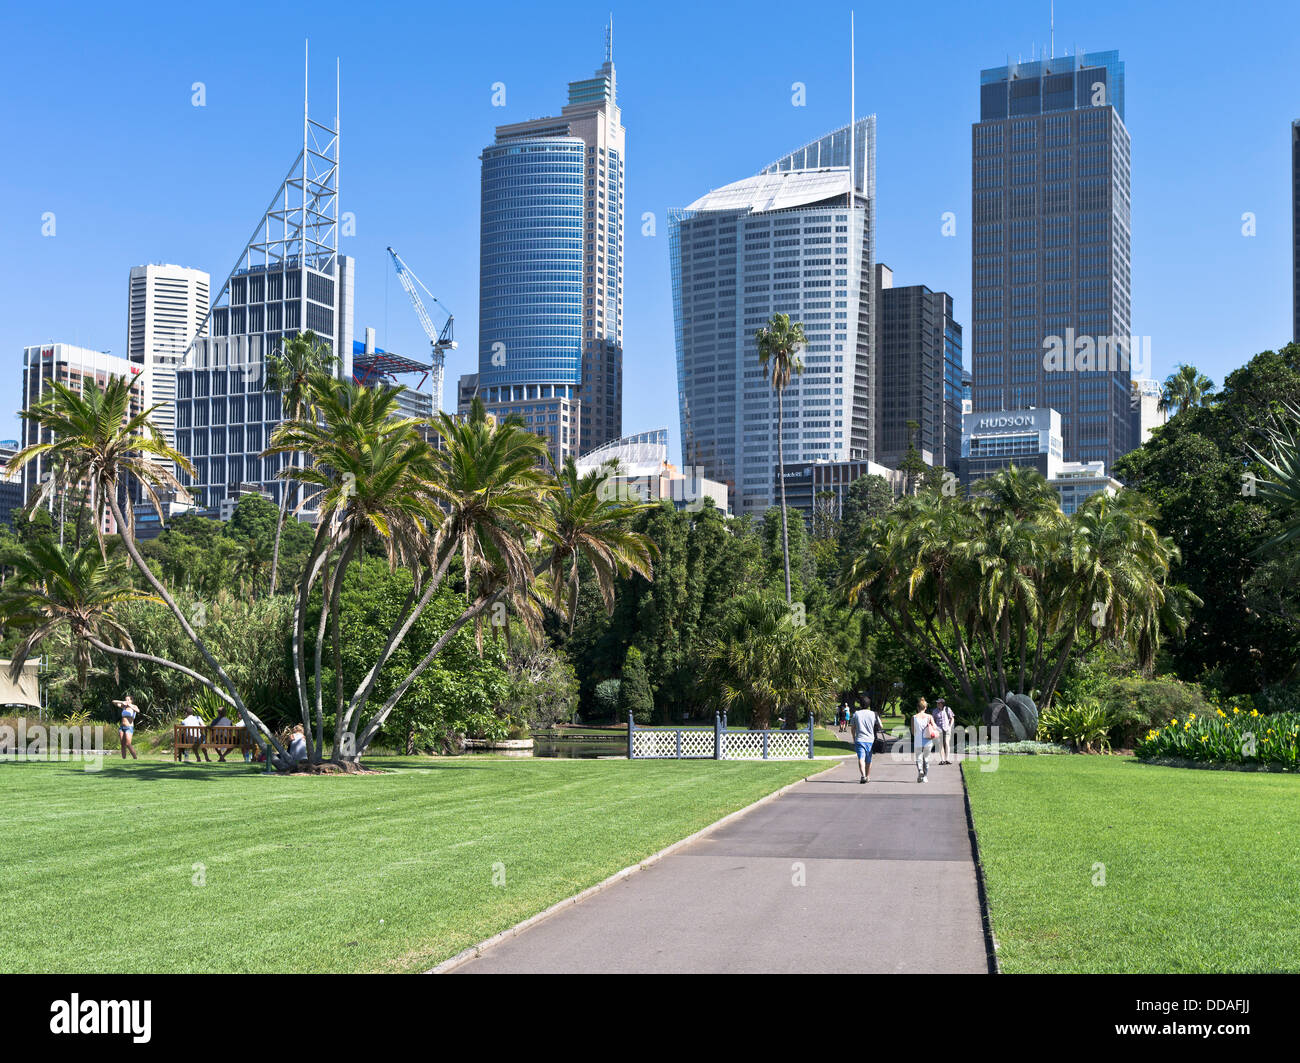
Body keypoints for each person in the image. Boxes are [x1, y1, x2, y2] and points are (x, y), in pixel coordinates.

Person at [849, 700, 883, 784]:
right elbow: (881, 726)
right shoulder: (873, 714)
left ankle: (863, 775)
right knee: (868, 759)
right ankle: (867, 776)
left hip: (860, 739)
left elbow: (852, 728)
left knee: (861, 758)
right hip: (870, 740)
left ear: (860, 704)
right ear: (869, 705)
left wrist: (854, 737)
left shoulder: (856, 714)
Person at [912, 698, 937, 783]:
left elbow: (912, 731)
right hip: (928, 740)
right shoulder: (929, 717)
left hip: (918, 740)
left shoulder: (914, 717)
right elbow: (934, 727)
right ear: (925, 707)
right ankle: (925, 776)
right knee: (926, 758)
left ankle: (920, 771)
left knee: (918, 758)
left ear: (918, 708)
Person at [112, 695, 139, 761]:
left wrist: (129, 705)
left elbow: (138, 711)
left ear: (131, 700)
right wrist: (122, 702)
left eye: (128, 699)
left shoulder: (134, 706)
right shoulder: (123, 706)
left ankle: (135, 758)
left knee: (128, 744)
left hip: (129, 727)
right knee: (122, 744)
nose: (126, 701)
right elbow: (113, 702)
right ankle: (124, 759)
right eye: (125, 699)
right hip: (122, 727)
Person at [934, 698, 955, 764]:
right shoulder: (935, 711)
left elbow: (952, 718)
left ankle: (947, 759)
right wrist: (935, 728)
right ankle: (942, 760)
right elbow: (933, 721)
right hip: (939, 729)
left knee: (947, 742)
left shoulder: (947, 709)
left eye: (939, 703)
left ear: (942, 704)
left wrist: (950, 726)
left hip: (947, 728)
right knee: (940, 744)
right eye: (937, 703)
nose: (937, 704)